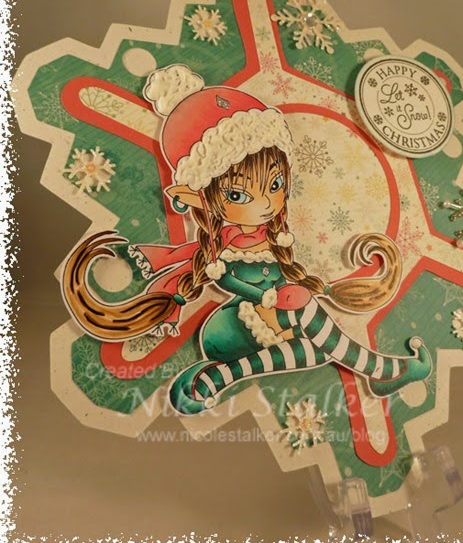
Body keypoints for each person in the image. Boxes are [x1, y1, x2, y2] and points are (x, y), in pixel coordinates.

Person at [63, 64, 432, 415]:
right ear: (198, 197)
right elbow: (228, 280)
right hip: (235, 326)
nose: (266, 203)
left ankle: (223, 377)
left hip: (278, 319)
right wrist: (268, 297)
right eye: (239, 194)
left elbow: (285, 280)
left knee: (324, 347)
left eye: (275, 184)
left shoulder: (270, 239)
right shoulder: (224, 249)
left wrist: (299, 291)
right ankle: (384, 369)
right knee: (315, 324)